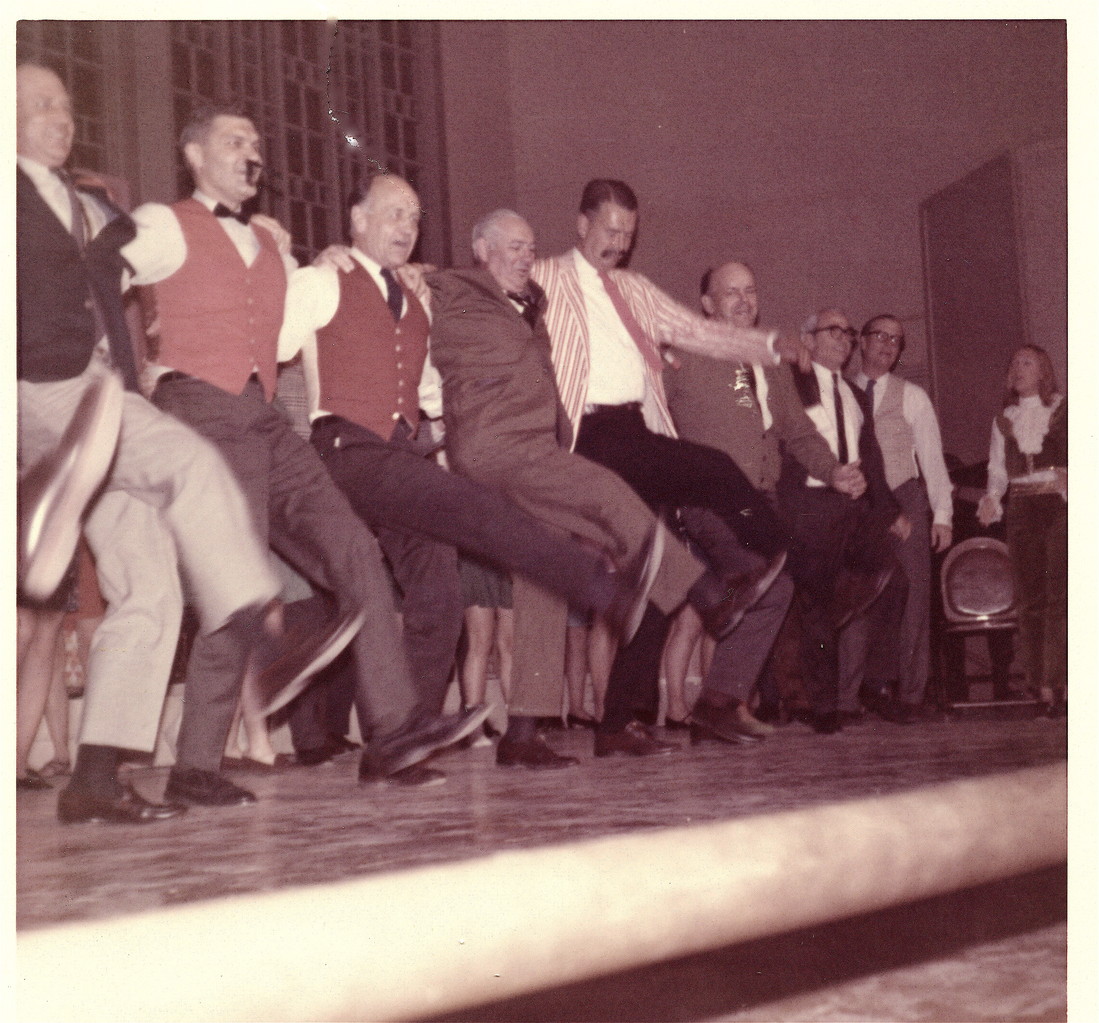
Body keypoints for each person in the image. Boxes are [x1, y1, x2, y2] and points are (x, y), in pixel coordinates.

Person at [16, 63, 350, 824]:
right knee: (193, 463)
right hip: (40, 390)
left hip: (100, 403)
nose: (61, 118)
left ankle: (95, 780)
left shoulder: (93, 206)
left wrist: (267, 235)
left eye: (68, 106)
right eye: (40, 105)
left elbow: (154, 257)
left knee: (152, 584)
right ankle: (271, 639)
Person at [122, 105, 487, 796]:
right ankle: (195, 765)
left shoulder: (271, 241)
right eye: (234, 141)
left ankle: (391, 735)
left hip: (260, 416)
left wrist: (322, 257)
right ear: (194, 155)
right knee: (237, 585)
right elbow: (104, 273)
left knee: (353, 548)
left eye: (257, 141)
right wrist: (129, 362)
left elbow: (294, 330)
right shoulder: (165, 222)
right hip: (200, 405)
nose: (252, 151)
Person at [277, 173, 676, 764]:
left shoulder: (417, 299)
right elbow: (272, 345)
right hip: (345, 448)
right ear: (356, 219)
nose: (406, 229)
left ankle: (397, 740)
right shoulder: (321, 279)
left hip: (401, 450)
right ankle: (600, 589)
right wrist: (294, 261)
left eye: (414, 217)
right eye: (392, 215)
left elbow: (433, 388)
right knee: (475, 511)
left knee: (437, 591)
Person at [428, 209, 778, 768]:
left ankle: (523, 733)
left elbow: (683, 330)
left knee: (547, 577)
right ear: (479, 249)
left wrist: (764, 347)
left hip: (542, 446)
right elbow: (412, 283)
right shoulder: (457, 290)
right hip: (516, 451)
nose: (523, 255)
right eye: (511, 245)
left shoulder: (535, 304)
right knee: (618, 509)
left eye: (528, 245)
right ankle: (709, 593)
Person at [532, 180, 800, 749]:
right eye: (610, 230)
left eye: (628, 234)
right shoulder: (547, 276)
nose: (619, 243)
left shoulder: (635, 288)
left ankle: (616, 725)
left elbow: (697, 331)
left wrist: (768, 347)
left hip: (634, 427)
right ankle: (756, 566)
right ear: (581, 224)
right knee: (711, 469)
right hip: (588, 433)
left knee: (656, 580)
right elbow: (483, 286)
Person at [664, 260, 867, 741]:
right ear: (708, 304)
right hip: (708, 496)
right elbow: (647, 400)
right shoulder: (683, 350)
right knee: (755, 583)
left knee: (774, 591)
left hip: (761, 495)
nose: (743, 300)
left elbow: (797, 429)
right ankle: (693, 700)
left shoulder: (769, 361)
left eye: (750, 290)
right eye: (730, 292)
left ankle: (717, 703)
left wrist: (833, 470)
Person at [776, 308, 906, 734]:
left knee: (895, 580)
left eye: (849, 333)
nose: (845, 339)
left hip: (855, 506)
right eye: (834, 330)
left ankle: (875, 683)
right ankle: (824, 707)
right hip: (809, 503)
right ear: (808, 339)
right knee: (816, 601)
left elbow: (872, 459)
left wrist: (890, 513)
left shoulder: (855, 394)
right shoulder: (790, 382)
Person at [841, 314, 954, 723]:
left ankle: (909, 695)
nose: (889, 345)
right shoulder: (841, 391)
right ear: (862, 343)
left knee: (915, 597)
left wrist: (942, 515)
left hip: (905, 497)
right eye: (881, 337)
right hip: (859, 503)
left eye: (897, 340)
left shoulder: (913, 396)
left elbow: (931, 459)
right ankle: (849, 698)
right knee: (856, 597)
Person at [977, 345, 1067, 716]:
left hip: (1058, 505)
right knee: (1029, 598)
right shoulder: (1004, 418)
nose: (1017, 368)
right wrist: (992, 498)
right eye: (1013, 362)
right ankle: (1038, 684)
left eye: (1026, 362)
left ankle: (1059, 680)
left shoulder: (1064, 408)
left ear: (1044, 371)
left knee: (1057, 593)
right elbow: (998, 469)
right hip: (1022, 506)